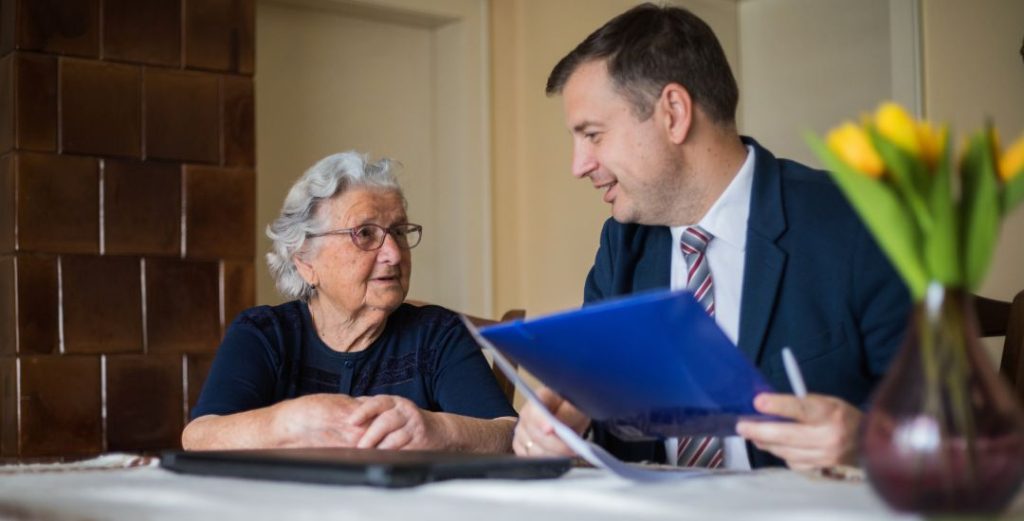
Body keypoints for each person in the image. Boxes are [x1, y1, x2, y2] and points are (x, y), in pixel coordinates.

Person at [512, 3, 910, 469]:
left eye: (593, 135)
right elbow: (604, 416)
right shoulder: (622, 245)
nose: (578, 165)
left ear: (674, 113)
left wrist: (867, 440)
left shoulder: (859, 221)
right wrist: (565, 432)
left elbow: (957, 423)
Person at [182, 152, 516, 452]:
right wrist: (286, 423)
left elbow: (508, 433)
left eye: (399, 231)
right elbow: (199, 436)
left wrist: (439, 428)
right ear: (305, 261)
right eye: (365, 233)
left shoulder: (436, 334)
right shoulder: (265, 334)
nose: (394, 253)